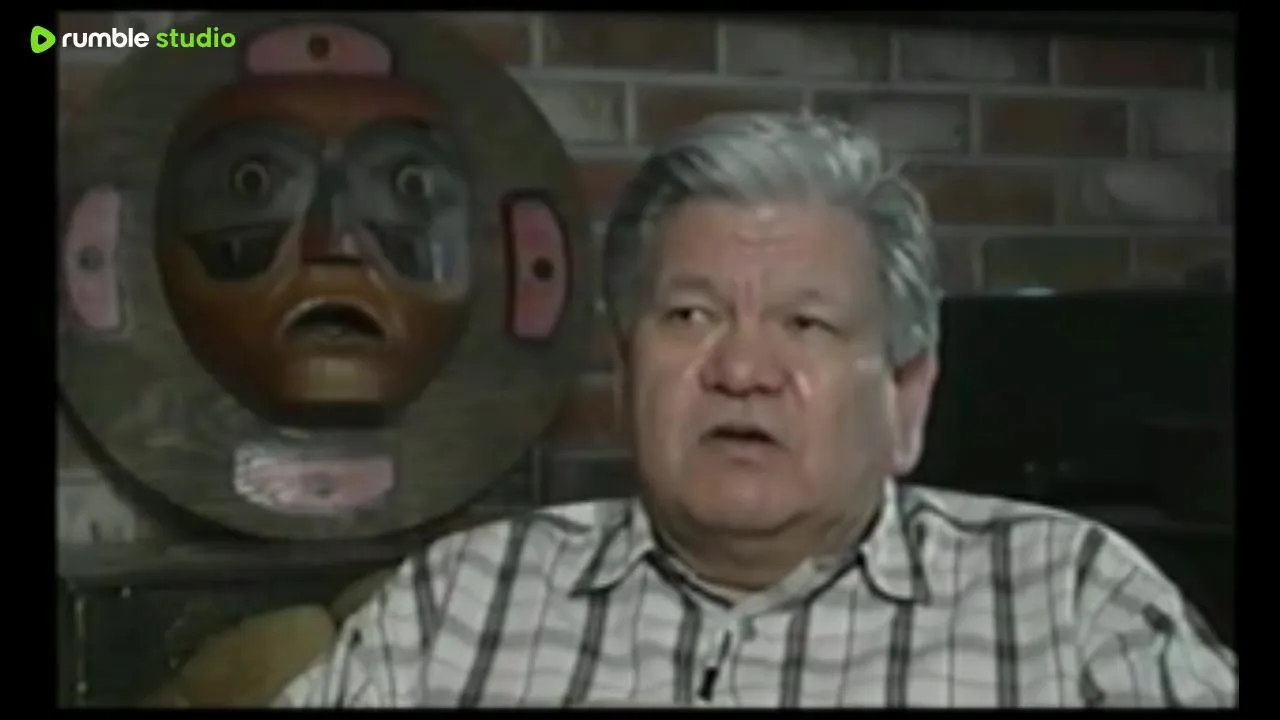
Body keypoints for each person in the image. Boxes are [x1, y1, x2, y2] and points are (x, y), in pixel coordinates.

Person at [272, 113, 1238, 708]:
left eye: (806, 324)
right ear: (626, 376)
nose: (741, 369)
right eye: (690, 316)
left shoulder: (1073, 601)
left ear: (906, 396)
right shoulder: (457, 602)